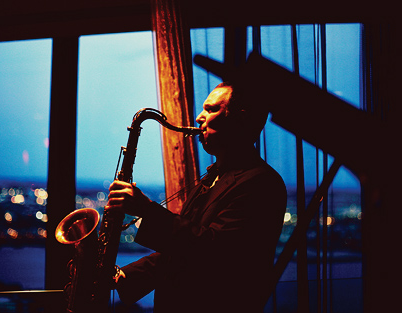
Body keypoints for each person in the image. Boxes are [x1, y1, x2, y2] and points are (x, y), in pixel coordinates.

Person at [106, 82, 287, 312]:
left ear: (240, 119)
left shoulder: (261, 183)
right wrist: (122, 275)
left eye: (211, 110)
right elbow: (181, 252)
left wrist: (147, 210)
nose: (199, 117)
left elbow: (213, 252)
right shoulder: (213, 177)